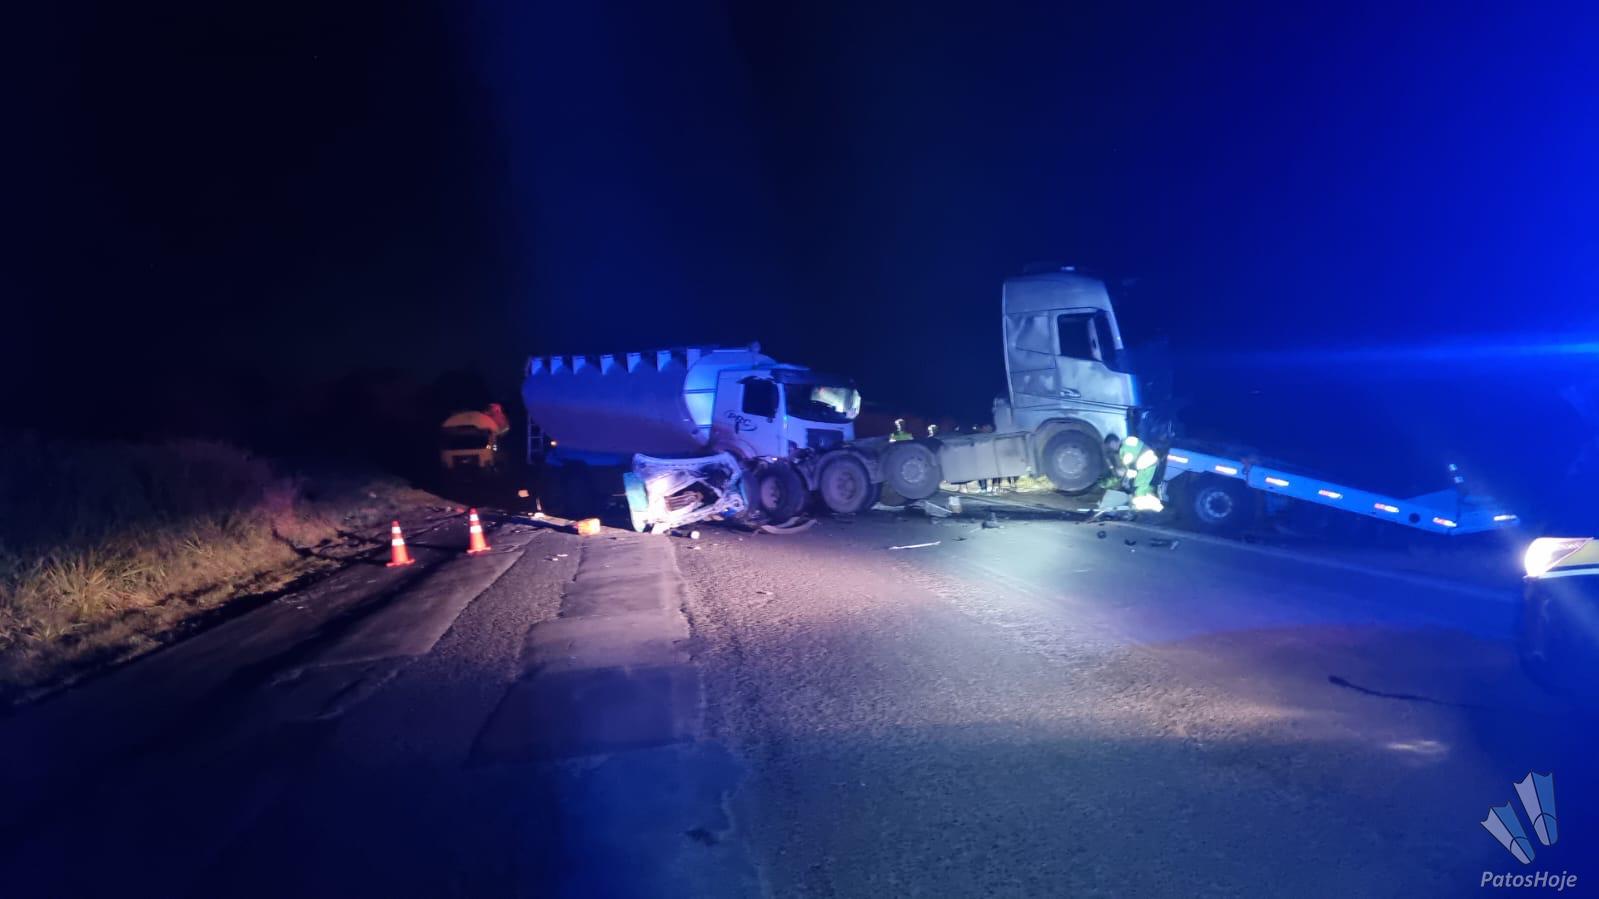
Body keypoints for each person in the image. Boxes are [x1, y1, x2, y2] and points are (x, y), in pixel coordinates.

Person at [1101, 432, 1164, 512]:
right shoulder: (1128, 440)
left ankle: (1155, 509)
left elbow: (1131, 469)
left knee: (1140, 492)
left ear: (1113, 443)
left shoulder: (1124, 450)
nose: (1112, 449)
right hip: (1150, 464)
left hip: (1147, 468)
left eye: (1110, 447)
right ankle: (1152, 506)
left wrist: (1126, 480)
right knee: (1144, 488)